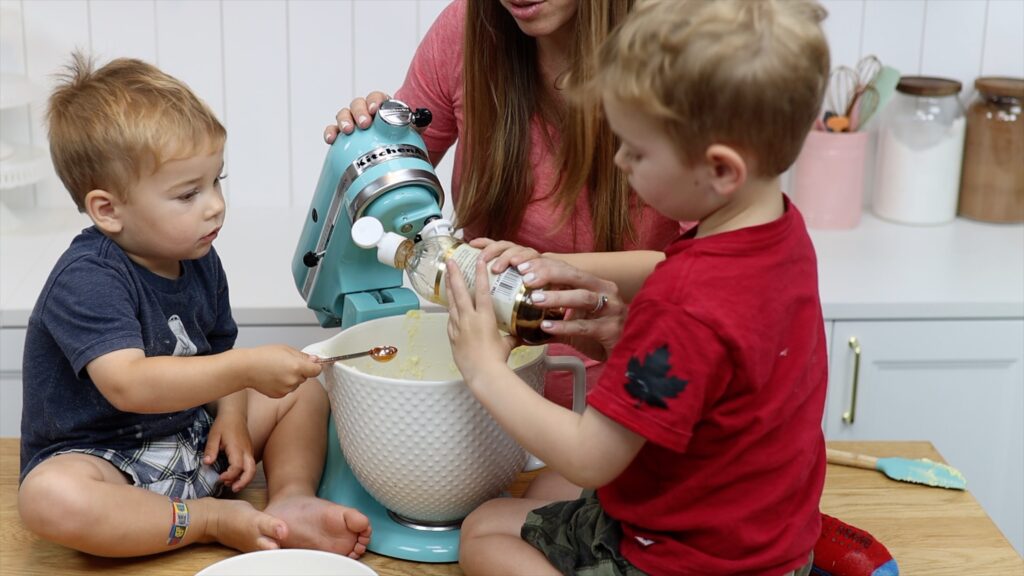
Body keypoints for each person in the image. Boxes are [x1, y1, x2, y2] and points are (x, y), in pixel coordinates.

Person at [444, 0, 832, 574]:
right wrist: (577, 284)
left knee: (481, 538)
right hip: (769, 544)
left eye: (638, 148)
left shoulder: (683, 304)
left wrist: (484, 368)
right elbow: (707, 338)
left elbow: (589, 459)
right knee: (519, 501)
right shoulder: (782, 234)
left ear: (721, 168)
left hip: (684, 560)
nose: (621, 160)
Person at [18, 53, 372, 559]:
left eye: (216, 182)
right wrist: (246, 369)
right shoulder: (87, 278)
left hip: (194, 440)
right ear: (108, 210)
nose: (214, 205)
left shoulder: (198, 258)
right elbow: (129, 383)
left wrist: (231, 411)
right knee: (49, 498)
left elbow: (217, 349)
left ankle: (291, 500)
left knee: (303, 392)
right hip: (107, 461)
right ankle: (208, 520)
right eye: (188, 194)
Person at [326, 0, 683, 409]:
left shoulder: (672, 48)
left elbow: (715, 266)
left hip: (634, 391)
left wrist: (545, 269)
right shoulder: (465, 31)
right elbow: (399, 179)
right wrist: (370, 148)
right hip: (488, 389)